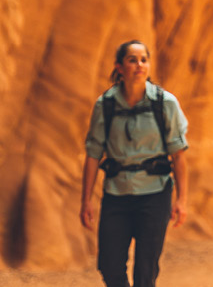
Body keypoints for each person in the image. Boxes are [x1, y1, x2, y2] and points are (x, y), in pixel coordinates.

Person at [79, 40, 190, 287]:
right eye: (132, 60)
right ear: (119, 67)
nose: (139, 65)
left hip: (155, 195)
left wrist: (181, 200)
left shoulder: (165, 103)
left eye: (144, 59)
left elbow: (179, 155)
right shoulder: (105, 105)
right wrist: (85, 200)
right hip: (116, 194)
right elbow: (93, 154)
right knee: (109, 267)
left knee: (145, 272)